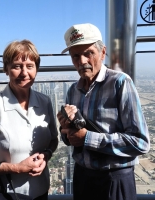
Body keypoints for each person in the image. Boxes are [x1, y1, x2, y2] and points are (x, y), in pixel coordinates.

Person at [57, 23, 150, 200]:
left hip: (114, 179)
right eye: (76, 56)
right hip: (82, 177)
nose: (82, 61)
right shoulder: (72, 90)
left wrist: (87, 137)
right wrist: (66, 130)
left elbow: (141, 142)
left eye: (88, 53)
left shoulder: (120, 83)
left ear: (103, 52)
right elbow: (72, 139)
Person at [0, 40, 58, 200]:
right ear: (6, 69)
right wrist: (16, 168)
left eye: (30, 66)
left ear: (36, 69)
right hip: (5, 194)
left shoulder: (45, 102)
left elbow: (53, 140)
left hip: (40, 191)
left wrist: (47, 155)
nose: (24, 73)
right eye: (17, 66)